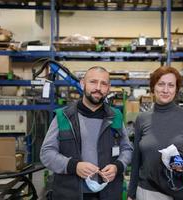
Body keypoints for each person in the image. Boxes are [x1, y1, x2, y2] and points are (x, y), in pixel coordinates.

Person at [40, 66, 133, 200]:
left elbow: (127, 149)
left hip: (108, 193)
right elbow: (46, 153)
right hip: (70, 194)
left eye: (104, 84)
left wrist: (118, 166)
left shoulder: (116, 116)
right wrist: (73, 166)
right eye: (93, 82)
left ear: (108, 88)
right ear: (82, 83)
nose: (98, 88)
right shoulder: (63, 116)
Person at [127, 66, 183, 200]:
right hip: (148, 192)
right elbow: (136, 159)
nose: (165, 90)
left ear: (176, 89)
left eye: (171, 85)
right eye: (161, 84)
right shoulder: (142, 119)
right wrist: (131, 193)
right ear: (153, 87)